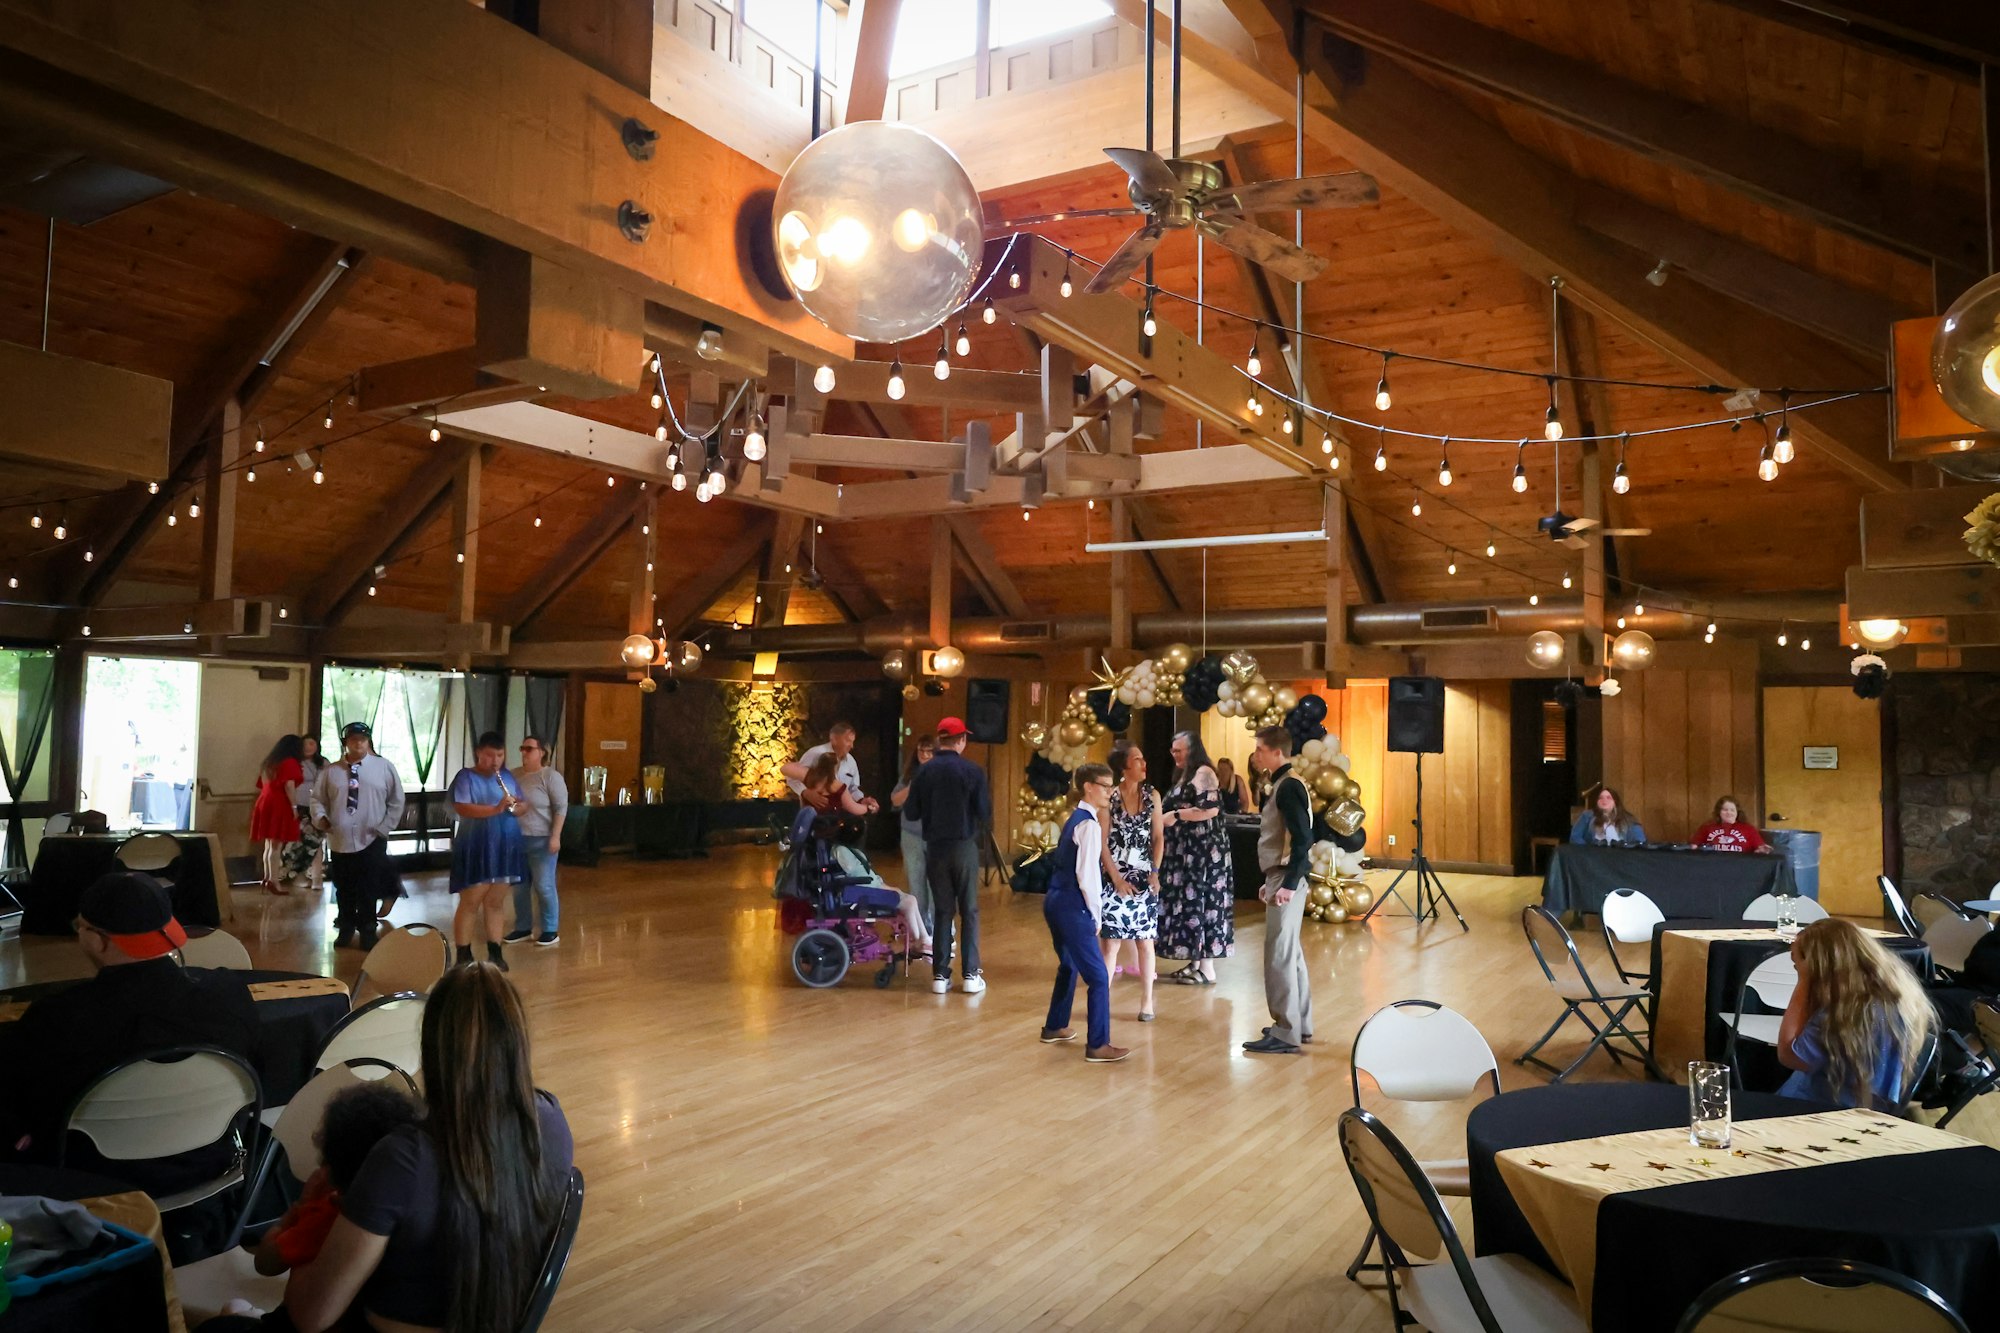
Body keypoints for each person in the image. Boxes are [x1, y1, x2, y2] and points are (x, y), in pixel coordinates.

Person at [202, 965, 574, 1333]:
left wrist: (310, 1217)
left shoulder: (403, 1159)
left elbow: (310, 1316)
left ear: (432, 1049)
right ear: (519, 1041)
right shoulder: (553, 1122)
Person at [0, 873, 256, 1195]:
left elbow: (20, 1106)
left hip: (90, 1181)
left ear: (97, 940)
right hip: (210, 1165)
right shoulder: (230, 994)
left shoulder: (55, 1019)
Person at [248, 1082, 425, 1279]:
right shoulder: (412, 1208)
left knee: (235, 1306)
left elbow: (264, 1262)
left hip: (314, 1305)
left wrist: (301, 1208)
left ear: (329, 1160)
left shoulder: (327, 1217)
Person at [1776, 918, 1937, 1110]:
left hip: (1826, 1110)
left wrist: (1804, 981)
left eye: (1797, 966)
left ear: (1821, 966)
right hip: (1867, 1103)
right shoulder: (1889, 994)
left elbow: (1788, 1054)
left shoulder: (1851, 1013)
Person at [1039, 764, 1129, 1063]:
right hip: (1072, 906)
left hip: (1054, 901)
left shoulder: (1074, 819)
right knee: (1099, 978)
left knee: (1068, 964)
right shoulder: (1089, 825)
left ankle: (1055, 1026)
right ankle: (1098, 1044)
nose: (1110, 792)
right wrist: (1096, 916)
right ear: (1088, 787)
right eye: (1105, 786)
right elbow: (1087, 876)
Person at [904, 717, 991, 996]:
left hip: (935, 849)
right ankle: (970, 975)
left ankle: (940, 976)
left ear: (941, 740)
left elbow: (911, 813)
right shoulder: (973, 771)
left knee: (942, 911)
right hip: (964, 847)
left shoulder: (924, 773)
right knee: (970, 911)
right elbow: (985, 812)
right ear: (962, 740)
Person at [1243, 726, 1315, 1056]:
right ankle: (1299, 1023)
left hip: (1287, 877)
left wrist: (1287, 883)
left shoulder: (1288, 787)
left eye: (1260, 749)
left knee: (1279, 955)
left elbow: (1302, 839)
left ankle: (1286, 1030)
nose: (1256, 755)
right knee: (1291, 953)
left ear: (1277, 752)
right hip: (1282, 874)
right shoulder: (1285, 783)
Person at [311, 722, 406, 951]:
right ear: (346, 743)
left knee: (369, 885)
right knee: (344, 886)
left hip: (372, 837)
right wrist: (321, 818)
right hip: (341, 839)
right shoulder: (330, 771)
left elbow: (396, 799)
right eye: (353, 739)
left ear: (369, 741)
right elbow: (317, 799)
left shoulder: (383, 767)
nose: (359, 743)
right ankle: (345, 927)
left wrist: (386, 826)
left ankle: (367, 929)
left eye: (363, 739)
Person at [1157, 730, 1232, 985]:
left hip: (1203, 853)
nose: (1174, 754)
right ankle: (1196, 962)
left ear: (1192, 749)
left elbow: (1210, 809)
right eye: (1173, 750)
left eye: (1179, 750)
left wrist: (1176, 816)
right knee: (1190, 905)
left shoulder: (1204, 772)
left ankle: (1207, 967)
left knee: (1203, 903)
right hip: (1187, 853)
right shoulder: (1185, 774)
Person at [1098, 741, 1165, 1023]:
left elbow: (1158, 836)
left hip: (1143, 874)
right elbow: (1102, 842)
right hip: (1115, 874)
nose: (1144, 763)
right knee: (1111, 942)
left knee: (1145, 942)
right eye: (1137, 759)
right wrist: (1115, 878)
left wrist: (1155, 871)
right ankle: (1101, 1001)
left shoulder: (1152, 795)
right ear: (1125, 767)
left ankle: (1147, 1002)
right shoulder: (1110, 797)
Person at [448, 732, 526, 972]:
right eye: (490, 755)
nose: (495, 760)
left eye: (500, 755)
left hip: (505, 844)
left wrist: (516, 807)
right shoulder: (466, 776)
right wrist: (495, 809)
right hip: (477, 843)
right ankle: (463, 954)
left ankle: (495, 951)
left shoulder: (508, 776)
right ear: (479, 753)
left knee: (496, 902)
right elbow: (462, 807)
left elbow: (523, 806)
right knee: (471, 901)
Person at [505, 734, 569, 948]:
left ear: (542, 752)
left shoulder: (550, 777)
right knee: (519, 886)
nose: (524, 752)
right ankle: (523, 927)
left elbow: (561, 808)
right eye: (522, 748)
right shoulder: (514, 775)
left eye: (529, 748)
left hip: (542, 840)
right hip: (517, 839)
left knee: (544, 885)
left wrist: (556, 836)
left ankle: (550, 930)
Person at [890, 736, 936, 933]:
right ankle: (922, 929)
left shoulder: (942, 773)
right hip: (912, 835)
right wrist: (913, 785)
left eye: (929, 751)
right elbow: (895, 800)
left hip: (936, 835)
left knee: (936, 884)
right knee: (916, 882)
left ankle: (940, 927)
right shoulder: (910, 775)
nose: (924, 755)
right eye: (921, 751)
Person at [251, 734, 307, 895]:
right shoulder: (289, 762)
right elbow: (289, 785)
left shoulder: (270, 762)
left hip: (265, 800)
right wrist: (294, 806)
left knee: (269, 844)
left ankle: (268, 878)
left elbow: (262, 784)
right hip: (279, 802)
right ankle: (274, 881)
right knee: (276, 845)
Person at [282, 735, 328, 890]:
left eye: (312, 743)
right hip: (300, 805)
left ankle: (317, 877)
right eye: (306, 744)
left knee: (317, 842)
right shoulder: (295, 762)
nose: (309, 747)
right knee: (300, 842)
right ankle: (298, 875)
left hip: (318, 805)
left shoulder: (323, 763)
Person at [785, 721, 868, 804]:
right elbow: (792, 778)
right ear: (834, 739)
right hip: (815, 811)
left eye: (852, 741)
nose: (852, 746)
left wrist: (862, 800)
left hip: (841, 813)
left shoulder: (851, 761)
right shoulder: (815, 753)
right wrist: (805, 792)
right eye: (848, 741)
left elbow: (852, 789)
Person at [1568, 784, 1645, 845]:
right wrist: (1588, 851)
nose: (1604, 800)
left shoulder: (1628, 819)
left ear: (1615, 802)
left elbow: (1640, 841)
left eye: (1608, 798)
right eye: (1600, 798)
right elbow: (1575, 837)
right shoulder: (1587, 816)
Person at [1694, 795, 1771, 853]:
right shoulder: (1707, 827)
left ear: (1737, 812)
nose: (1729, 813)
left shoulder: (1749, 829)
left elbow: (1760, 848)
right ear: (1719, 812)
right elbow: (1694, 846)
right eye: (1725, 810)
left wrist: (1763, 850)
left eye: (1732, 810)